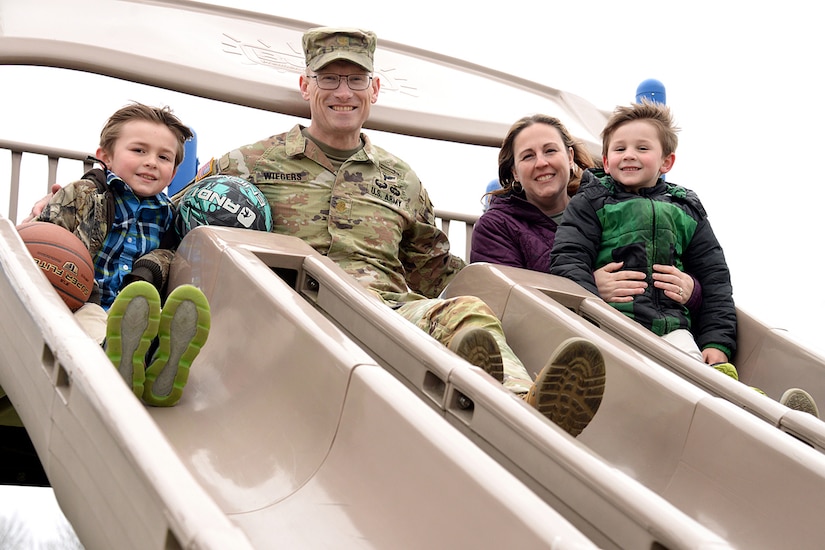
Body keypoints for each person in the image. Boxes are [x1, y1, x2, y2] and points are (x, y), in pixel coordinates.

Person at [173, 27, 606, 437]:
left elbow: (437, 270)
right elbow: (179, 223)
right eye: (329, 78)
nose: (344, 92)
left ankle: (521, 410)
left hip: (384, 313)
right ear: (306, 86)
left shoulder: (401, 179)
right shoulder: (250, 163)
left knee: (466, 312)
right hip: (289, 310)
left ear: (374, 90)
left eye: (357, 80)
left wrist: (539, 291)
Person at [549, 100, 818, 416]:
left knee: (700, 381)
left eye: (642, 148)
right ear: (606, 162)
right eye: (620, 149)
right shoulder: (592, 201)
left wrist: (718, 343)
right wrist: (592, 296)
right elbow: (567, 258)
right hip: (614, 324)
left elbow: (715, 278)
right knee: (658, 387)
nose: (630, 155)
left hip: (671, 327)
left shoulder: (685, 208)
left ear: (667, 161)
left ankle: (775, 416)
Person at [30, 102, 211, 407]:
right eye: (139, 151)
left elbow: (170, 255)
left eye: (163, 157)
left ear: (175, 171)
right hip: (83, 301)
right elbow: (46, 236)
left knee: (144, 325)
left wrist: (149, 269)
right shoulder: (83, 194)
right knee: (94, 323)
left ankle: (158, 368)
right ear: (106, 156)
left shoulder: (169, 215)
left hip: (138, 306)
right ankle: (115, 361)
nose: (152, 162)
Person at [471, 113, 701, 310]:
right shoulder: (496, 227)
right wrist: (586, 287)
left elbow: (697, 269)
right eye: (528, 156)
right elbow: (506, 302)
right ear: (515, 172)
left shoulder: (608, 206)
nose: (541, 162)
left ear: (570, 157)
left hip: (641, 328)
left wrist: (693, 290)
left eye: (550, 151)